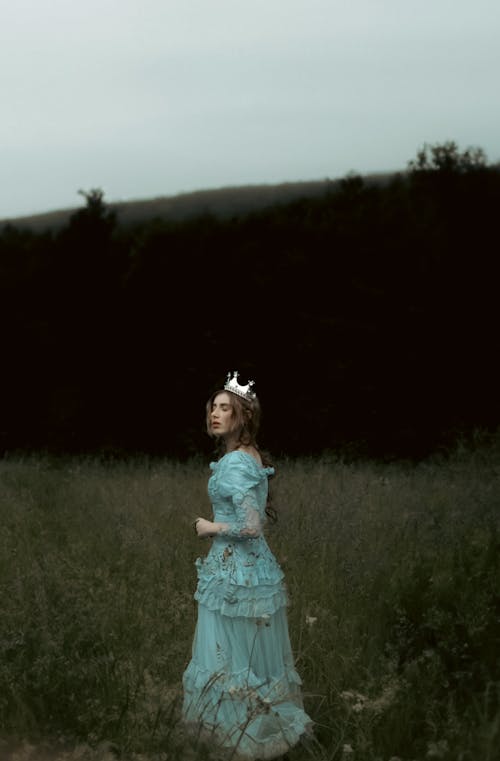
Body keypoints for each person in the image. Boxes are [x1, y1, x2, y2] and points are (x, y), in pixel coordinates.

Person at [182, 371, 312, 760]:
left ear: (243, 417)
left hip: (234, 573)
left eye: (226, 408)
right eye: (214, 408)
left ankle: (239, 739)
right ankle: (253, 733)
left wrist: (210, 527)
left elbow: (252, 527)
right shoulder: (247, 457)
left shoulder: (237, 462)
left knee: (228, 658)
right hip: (252, 571)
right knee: (249, 658)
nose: (216, 414)